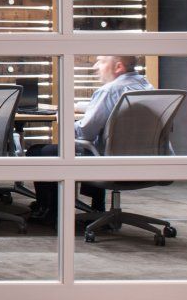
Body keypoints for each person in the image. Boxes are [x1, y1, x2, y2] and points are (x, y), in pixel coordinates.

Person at [28, 54, 152, 223]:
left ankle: (50, 211)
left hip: (110, 165)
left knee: (38, 152)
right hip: (147, 163)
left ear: (118, 67)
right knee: (93, 146)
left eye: (101, 61)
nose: (95, 66)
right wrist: (82, 106)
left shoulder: (109, 91)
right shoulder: (146, 85)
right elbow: (117, 105)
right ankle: (97, 207)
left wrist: (63, 119)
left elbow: (84, 132)